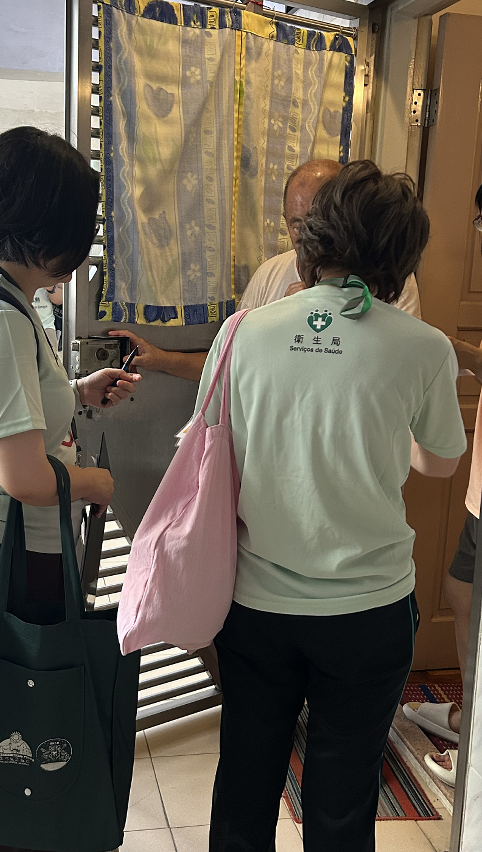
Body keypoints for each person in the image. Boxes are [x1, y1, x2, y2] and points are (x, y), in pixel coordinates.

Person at [194, 161, 466, 852]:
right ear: (399, 257)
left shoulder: (242, 331)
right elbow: (438, 463)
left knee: (245, 780)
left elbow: (210, 443)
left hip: (257, 603)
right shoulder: (424, 347)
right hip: (369, 610)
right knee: (343, 798)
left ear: (312, 236)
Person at [0, 126, 141, 852]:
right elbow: (23, 478)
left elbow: (0, 421)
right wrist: (97, 483)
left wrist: (74, 393)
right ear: (43, 228)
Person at [109, 159, 421, 381]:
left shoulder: (391, 281)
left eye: (318, 221)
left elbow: (399, 371)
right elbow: (231, 363)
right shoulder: (269, 275)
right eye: (296, 223)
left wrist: (318, 310)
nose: (307, 235)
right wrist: (161, 359)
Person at [404, 183, 482, 787]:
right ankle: (471, 719)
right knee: (461, 592)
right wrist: (448, 348)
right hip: (480, 494)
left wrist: (436, 349)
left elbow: (438, 460)